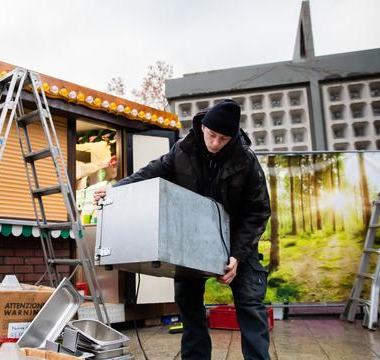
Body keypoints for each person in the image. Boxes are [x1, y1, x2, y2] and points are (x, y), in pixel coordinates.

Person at [94, 99, 271, 360]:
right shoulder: (183, 149)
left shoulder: (245, 160)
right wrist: (117, 190)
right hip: (194, 239)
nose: (215, 143)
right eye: (211, 135)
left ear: (232, 137)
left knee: (250, 306)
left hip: (238, 242)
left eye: (223, 139)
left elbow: (258, 211)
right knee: (189, 308)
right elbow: (151, 172)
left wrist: (238, 256)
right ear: (202, 127)